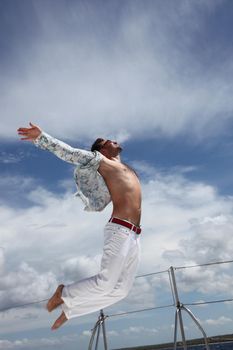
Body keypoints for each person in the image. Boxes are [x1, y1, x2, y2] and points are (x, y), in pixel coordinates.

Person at [17, 122, 142, 330]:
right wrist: (41, 137)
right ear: (102, 150)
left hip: (135, 235)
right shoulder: (100, 160)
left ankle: (71, 310)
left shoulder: (127, 169)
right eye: (106, 141)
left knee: (121, 290)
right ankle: (63, 293)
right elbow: (70, 153)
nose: (112, 140)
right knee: (106, 282)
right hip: (119, 229)